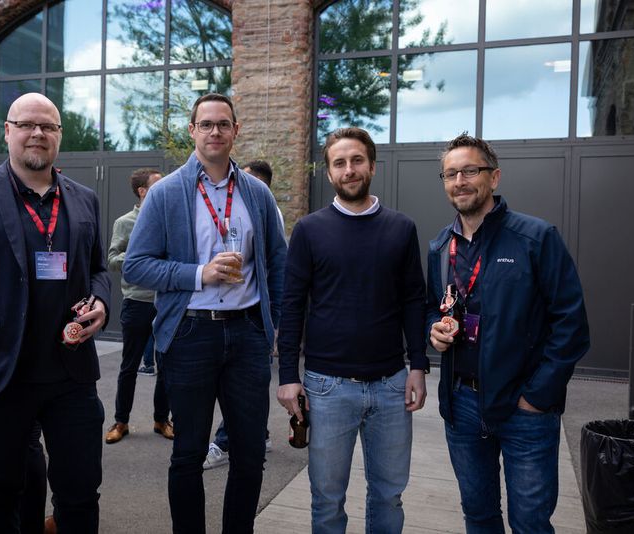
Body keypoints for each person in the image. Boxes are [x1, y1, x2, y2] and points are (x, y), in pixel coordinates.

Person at [0, 92, 111, 533]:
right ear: (7, 131)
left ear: (59, 137)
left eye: (48, 126)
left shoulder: (83, 198)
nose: (37, 134)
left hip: (72, 376)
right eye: (27, 124)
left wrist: (102, 302)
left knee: (81, 492)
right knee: (0, 493)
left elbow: (99, 269)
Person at [124, 93, 287, 534]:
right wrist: (199, 274)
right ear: (192, 131)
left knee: (250, 452)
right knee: (188, 453)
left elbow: (278, 262)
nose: (215, 131)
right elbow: (136, 264)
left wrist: (274, 329)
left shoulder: (257, 193)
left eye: (224, 124)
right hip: (190, 334)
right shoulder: (165, 193)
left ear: (236, 131)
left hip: (248, 334)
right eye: (206, 124)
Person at [427, 133, 590, 533]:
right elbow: (434, 307)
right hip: (462, 404)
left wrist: (537, 397)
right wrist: (433, 330)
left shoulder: (536, 238)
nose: (460, 180)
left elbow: (571, 324)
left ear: (494, 177)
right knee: (479, 517)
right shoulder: (439, 248)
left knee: (530, 523)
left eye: (470, 170)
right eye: (451, 173)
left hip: (525, 408)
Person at [277, 127, 428, 534]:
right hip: (327, 388)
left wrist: (418, 365)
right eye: (340, 163)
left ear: (372, 166)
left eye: (357, 160)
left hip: (392, 385)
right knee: (326, 499)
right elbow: (291, 307)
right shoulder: (309, 230)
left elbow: (415, 300)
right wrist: (288, 376)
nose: (349, 170)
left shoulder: (401, 228)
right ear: (329, 173)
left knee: (388, 495)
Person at [204, 160, 278, 470]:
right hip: (200, 322)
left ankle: (229, 440)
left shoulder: (264, 209)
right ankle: (253, 434)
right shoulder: (190, 197)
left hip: (248, 320)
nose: (233, 187)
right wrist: (200, 274)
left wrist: (272, 323)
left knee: (243, 397)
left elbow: (278, 264)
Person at [105, 167, 173, 444]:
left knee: (167, 366)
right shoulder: (125, 222)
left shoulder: (169, 219)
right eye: (157, 184)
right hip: (136, 302)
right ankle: (121, 422)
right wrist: (138, 262)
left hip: (167, 302)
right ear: (142, 191)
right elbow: (111, 259)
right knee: (129, 366)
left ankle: (161, 420)